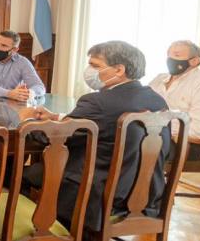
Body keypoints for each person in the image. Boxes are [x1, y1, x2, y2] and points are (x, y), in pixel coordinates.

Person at [19, 40, 170, 232]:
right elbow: (103, 123)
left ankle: (44, 231)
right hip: (147, 193)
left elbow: (54, 139)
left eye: (95, 65)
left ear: (119, 70)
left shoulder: (97, 102)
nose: (89, 70)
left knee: (16, 175)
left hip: (96, 192)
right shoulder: (157, 100)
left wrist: (26, 120)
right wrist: (58, 117)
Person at [148, 40, 200, 161]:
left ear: (194, 61)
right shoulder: (159, 78)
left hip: (185, 144)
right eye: (168, 54)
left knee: (135, 147)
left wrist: (160, 125)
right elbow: (142, 104)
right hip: (151, 134)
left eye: (177, 55)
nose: (170, 59)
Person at [0, 30, 45, 101]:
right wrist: (9, 94)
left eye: (4, 45)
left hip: (14, 104)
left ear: (14, 49)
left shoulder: (23, 62)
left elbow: (39, 87)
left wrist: (28, 93)